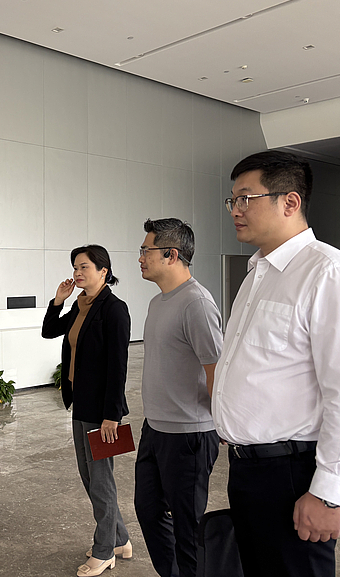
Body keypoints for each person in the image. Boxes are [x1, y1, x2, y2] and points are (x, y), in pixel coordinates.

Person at [212, 151, 340, 576]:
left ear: (290, 202)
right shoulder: (257, 274)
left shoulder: (330, 273)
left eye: (246, 198)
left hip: (292, 473)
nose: (236, 210)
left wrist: (328, 493)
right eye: (232, 200)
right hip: (247, 469)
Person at [134, 218, 223, 577]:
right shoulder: (158, 302)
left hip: (189, 434)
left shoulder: (196, 303)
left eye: (146, 250)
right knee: (148, 509)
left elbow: (216, 370)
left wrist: (222, 424)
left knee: (188, 529)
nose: (140, 257)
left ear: (171, 255)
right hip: (155, 428)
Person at [42, 245, 132, 577]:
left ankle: (104, 550)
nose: (77, 273)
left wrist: (112, 415)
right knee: (89, 476)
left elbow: (118, 367)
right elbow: (49, 331)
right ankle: (119, 539)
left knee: (100, 480)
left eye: (84, 267)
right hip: (80, 402)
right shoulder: (81, 305)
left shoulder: (114, 309)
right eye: (75, 267)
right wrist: (58, 301)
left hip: (101, 411)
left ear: (103, 271)